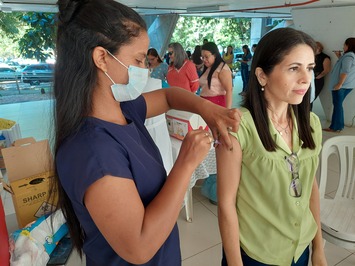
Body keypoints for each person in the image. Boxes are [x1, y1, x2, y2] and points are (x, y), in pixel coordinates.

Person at [51, 1, 241, 265]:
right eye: (138, 59)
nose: (146, 68)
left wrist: (207, 109)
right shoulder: (92, 151)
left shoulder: (124, 108)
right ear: (102, 58)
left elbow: (168, 96)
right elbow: (138, 247)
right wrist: (185, 163)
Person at [217, 28, 327, 266]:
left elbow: (311, 189)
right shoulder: (239, 127)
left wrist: (318, 248)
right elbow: (226, 204)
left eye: (309, 67)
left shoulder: (312, 124)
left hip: (299, 249)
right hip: (256, 253)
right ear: (262, 76)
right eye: (294, 68)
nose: (306, 79)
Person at [199, 42, 233, 204]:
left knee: (217, 145)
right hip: (206, 107)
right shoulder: (209, 68)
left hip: (217, 107)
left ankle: (219, 188)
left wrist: (227, 113)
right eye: (202, 57)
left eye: (206, 56)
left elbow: (229, 90)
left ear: (215, 54)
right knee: (210, 144)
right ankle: (210, 179)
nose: (204, 59)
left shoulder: (222, 69)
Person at [323, 37, 355, 132]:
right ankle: (338, 126)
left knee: (337, 105)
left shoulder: (349, 56)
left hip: (342, 86)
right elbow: (347, 67)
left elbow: (345, 71)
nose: (343, 46)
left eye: (344, 45)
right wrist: (340, 57)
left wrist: (339, 84)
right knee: (338, 105)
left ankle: (335, 127)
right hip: (347, 85)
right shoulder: (350, 56)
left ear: (349, 46)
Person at [312, 41, 331, 109]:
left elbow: (326, 70)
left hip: (317, 81)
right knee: (307, 99)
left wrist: (317, 77)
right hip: (311, 79)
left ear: (319, 48)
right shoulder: (312, 56)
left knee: (311, 98)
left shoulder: (325, 57)